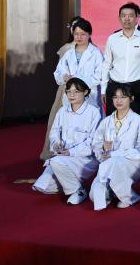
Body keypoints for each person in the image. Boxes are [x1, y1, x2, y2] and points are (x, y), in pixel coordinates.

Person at [33, 77, 101, 205]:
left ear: (85, 92)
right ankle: (70, 182)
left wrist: (70, 152)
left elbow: (93, 142)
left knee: (55, 162)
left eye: (76, 91)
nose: (71, 95)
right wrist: (56, 143)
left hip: (84, 157)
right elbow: (54, 133)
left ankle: (78, 191)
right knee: (42, 186)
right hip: (63, 155)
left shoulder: (94, 113)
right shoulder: (62, 111)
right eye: (69, 91)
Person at [90, 83, 140, 210]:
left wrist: (114, 154)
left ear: (131, 99)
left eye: (123, 97)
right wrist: (103, 148)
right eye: (115, 97)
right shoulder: (106, 121)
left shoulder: (139, 121)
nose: (118, 100)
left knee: (114, 163)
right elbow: (96, 144)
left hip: (134, 161)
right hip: (109, 162)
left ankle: (130, 197)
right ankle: (116, 191)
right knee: (94, 196)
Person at [101, 2, 140, 116]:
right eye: (124, 15)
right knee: (113, 120)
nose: (127, 19)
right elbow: (106, 64)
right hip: (114, 85)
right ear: (119, 18)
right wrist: (103, 89)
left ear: (137, 18)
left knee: (136, 121)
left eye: (130, 15)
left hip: (137, 87)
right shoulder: (112, 39)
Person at [41, 16, 82, 160]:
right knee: (61, 121)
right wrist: (65, 77)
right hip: (67, 90)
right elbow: (59, 72)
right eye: (74, 28)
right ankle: (58, 151)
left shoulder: (93, 50)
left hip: (86, 90)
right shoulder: (66, 49)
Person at [53, 18, 103, 113]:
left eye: (83, 34)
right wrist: (63, 77)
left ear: (89, 34)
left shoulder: (96, 53)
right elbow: (58, 72)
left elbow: (100, 76)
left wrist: (79, 82)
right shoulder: (69, 53)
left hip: (89, 96)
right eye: (76, 34)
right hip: (70, 97)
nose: (79, 37)